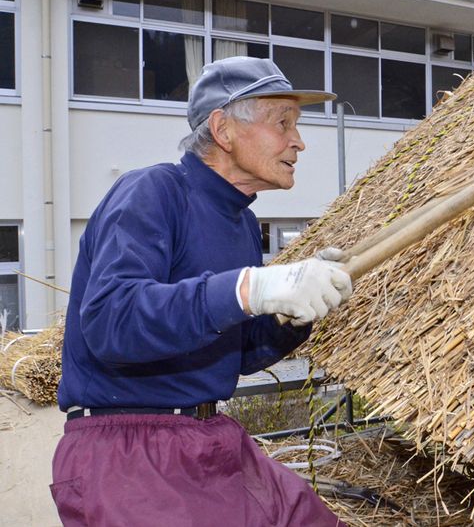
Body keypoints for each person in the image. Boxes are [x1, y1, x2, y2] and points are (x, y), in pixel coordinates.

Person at [51, 57, 352, 526]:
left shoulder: (244, 224)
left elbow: (236, 352)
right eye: (283, 123)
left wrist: (292, 315)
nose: (299, 141)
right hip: (129, 449)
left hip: (210, 434)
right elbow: (112, 323)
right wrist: (253, 288)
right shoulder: (153, 191)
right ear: (224, 129)